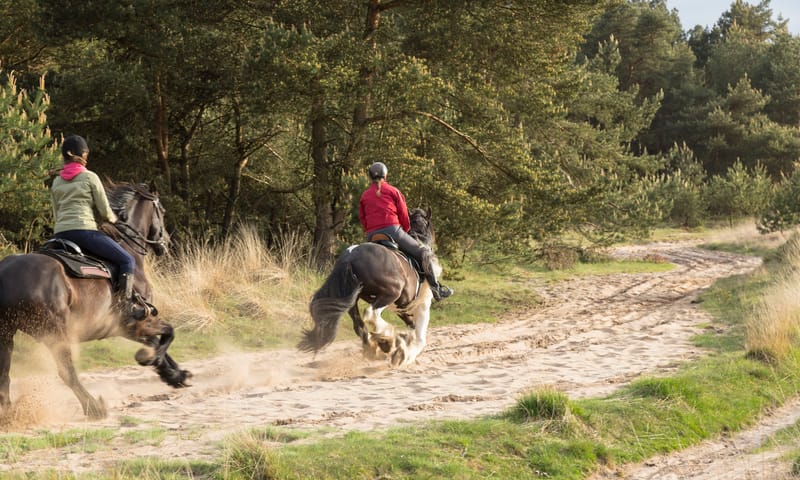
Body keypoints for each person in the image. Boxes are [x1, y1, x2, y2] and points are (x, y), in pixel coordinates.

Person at [50, 135, 146, 321]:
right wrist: (113, 219)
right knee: (127, 261)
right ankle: (123, 308)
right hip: (84, 232)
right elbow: (104, 210)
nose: (86, 157)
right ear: (78, 155)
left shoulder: (56, 182)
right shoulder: (89, 177)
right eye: (85, 154)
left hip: (60, 234)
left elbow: (56, 213)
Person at [358, 161, 453, 301]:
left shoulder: (365, 195)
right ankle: (437, 290)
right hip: (393, 231)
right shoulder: (393, 191)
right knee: (423, 252)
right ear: (385, 175)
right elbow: (403, 214)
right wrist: (406, 230)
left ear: (370, 176)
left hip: (372, 235)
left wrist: (370, 232)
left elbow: (362, 217)